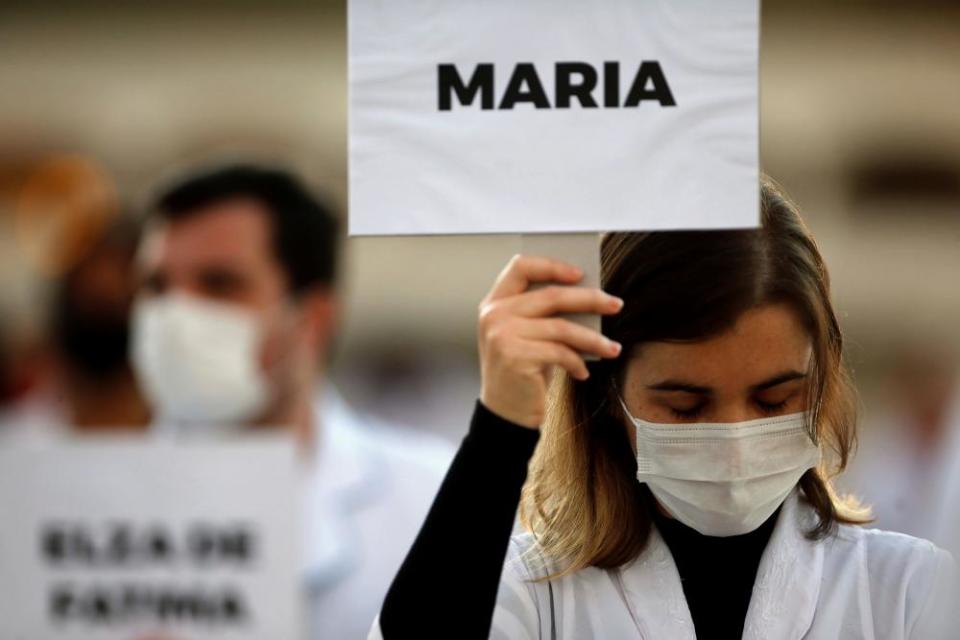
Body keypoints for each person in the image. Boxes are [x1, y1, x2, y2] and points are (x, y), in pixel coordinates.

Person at [370, 178, 957, 639]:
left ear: (823, 379)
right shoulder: (533, 594)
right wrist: (501, 428)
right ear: (608, 396)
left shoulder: (908, 593)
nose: (733, 435)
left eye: (775, 398)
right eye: (684, 405)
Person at [130, 163, 453, 639]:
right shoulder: (71, 509)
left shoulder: (436, 501)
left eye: (219, 284)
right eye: (157, 287)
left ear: (312, 319)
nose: (176, 315)